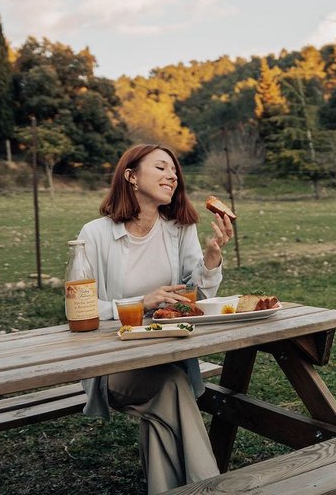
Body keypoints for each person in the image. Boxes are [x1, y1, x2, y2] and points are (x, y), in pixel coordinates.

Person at [76, 143, 234, 494]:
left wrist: (211, 259)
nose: (172, 175)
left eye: (174, 170)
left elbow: (195, 298)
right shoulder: (95, 234)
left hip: (167, 354)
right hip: (113, 362)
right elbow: (80, 309)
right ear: (131, 176)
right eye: (161, 168)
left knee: (164, 409)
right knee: (172, 386)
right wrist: (140, 302)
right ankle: (211, 488)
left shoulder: (179, 228)